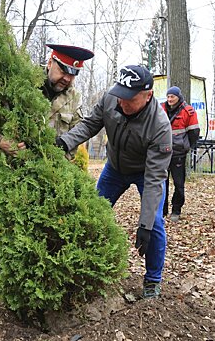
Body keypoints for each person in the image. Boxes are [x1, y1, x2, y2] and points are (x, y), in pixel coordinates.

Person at [56, 65, 172, 298]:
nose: (122, 102)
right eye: (120, 95)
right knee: (94, 213)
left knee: (155, 225)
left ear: (148, 95)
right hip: (114, 168)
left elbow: (153, 180)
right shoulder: (111, 98)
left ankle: (152, 281)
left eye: (130, 99)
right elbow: (90, 125)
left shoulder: (160, 126)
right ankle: (87, 265)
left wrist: (145, 225)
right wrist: (65, 142)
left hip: (144, 173)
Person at [0, 44, 94, 158]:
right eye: (63, 71)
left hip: (52, 169)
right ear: (50, 63)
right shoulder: (23, 82)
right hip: (12, 166)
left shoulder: (74, 98)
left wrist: (57, 161)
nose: (67, 78)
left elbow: (74, 137)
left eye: (73, 74)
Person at [161, 86, 200, 222]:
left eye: (172, 96)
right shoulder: (161, 109)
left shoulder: (188, 111)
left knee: (179, 183)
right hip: (162, 153)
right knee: (161, 182)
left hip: (178, 153)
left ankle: (176, 210)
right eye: (168, 96)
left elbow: (194, 132)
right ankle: (162, 210)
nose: (170, 99)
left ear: (178, 97)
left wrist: (186, 146)